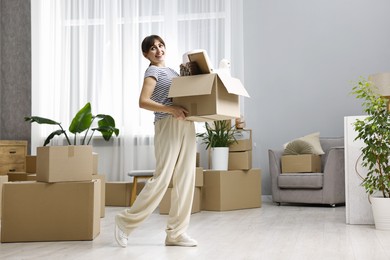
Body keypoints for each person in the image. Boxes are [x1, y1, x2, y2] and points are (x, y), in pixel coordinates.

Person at [114, 35, 197, 248]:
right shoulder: (153, 71)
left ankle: (176, 234)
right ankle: (125, 222)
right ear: (146, 54)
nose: (158, 50)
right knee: (162, 179)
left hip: (186, 124)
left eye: (161, 46)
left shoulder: (172, 71)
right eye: (153, 48)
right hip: (167, 123)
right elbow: (143, 101)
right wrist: (171, 109)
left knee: (186, 179)